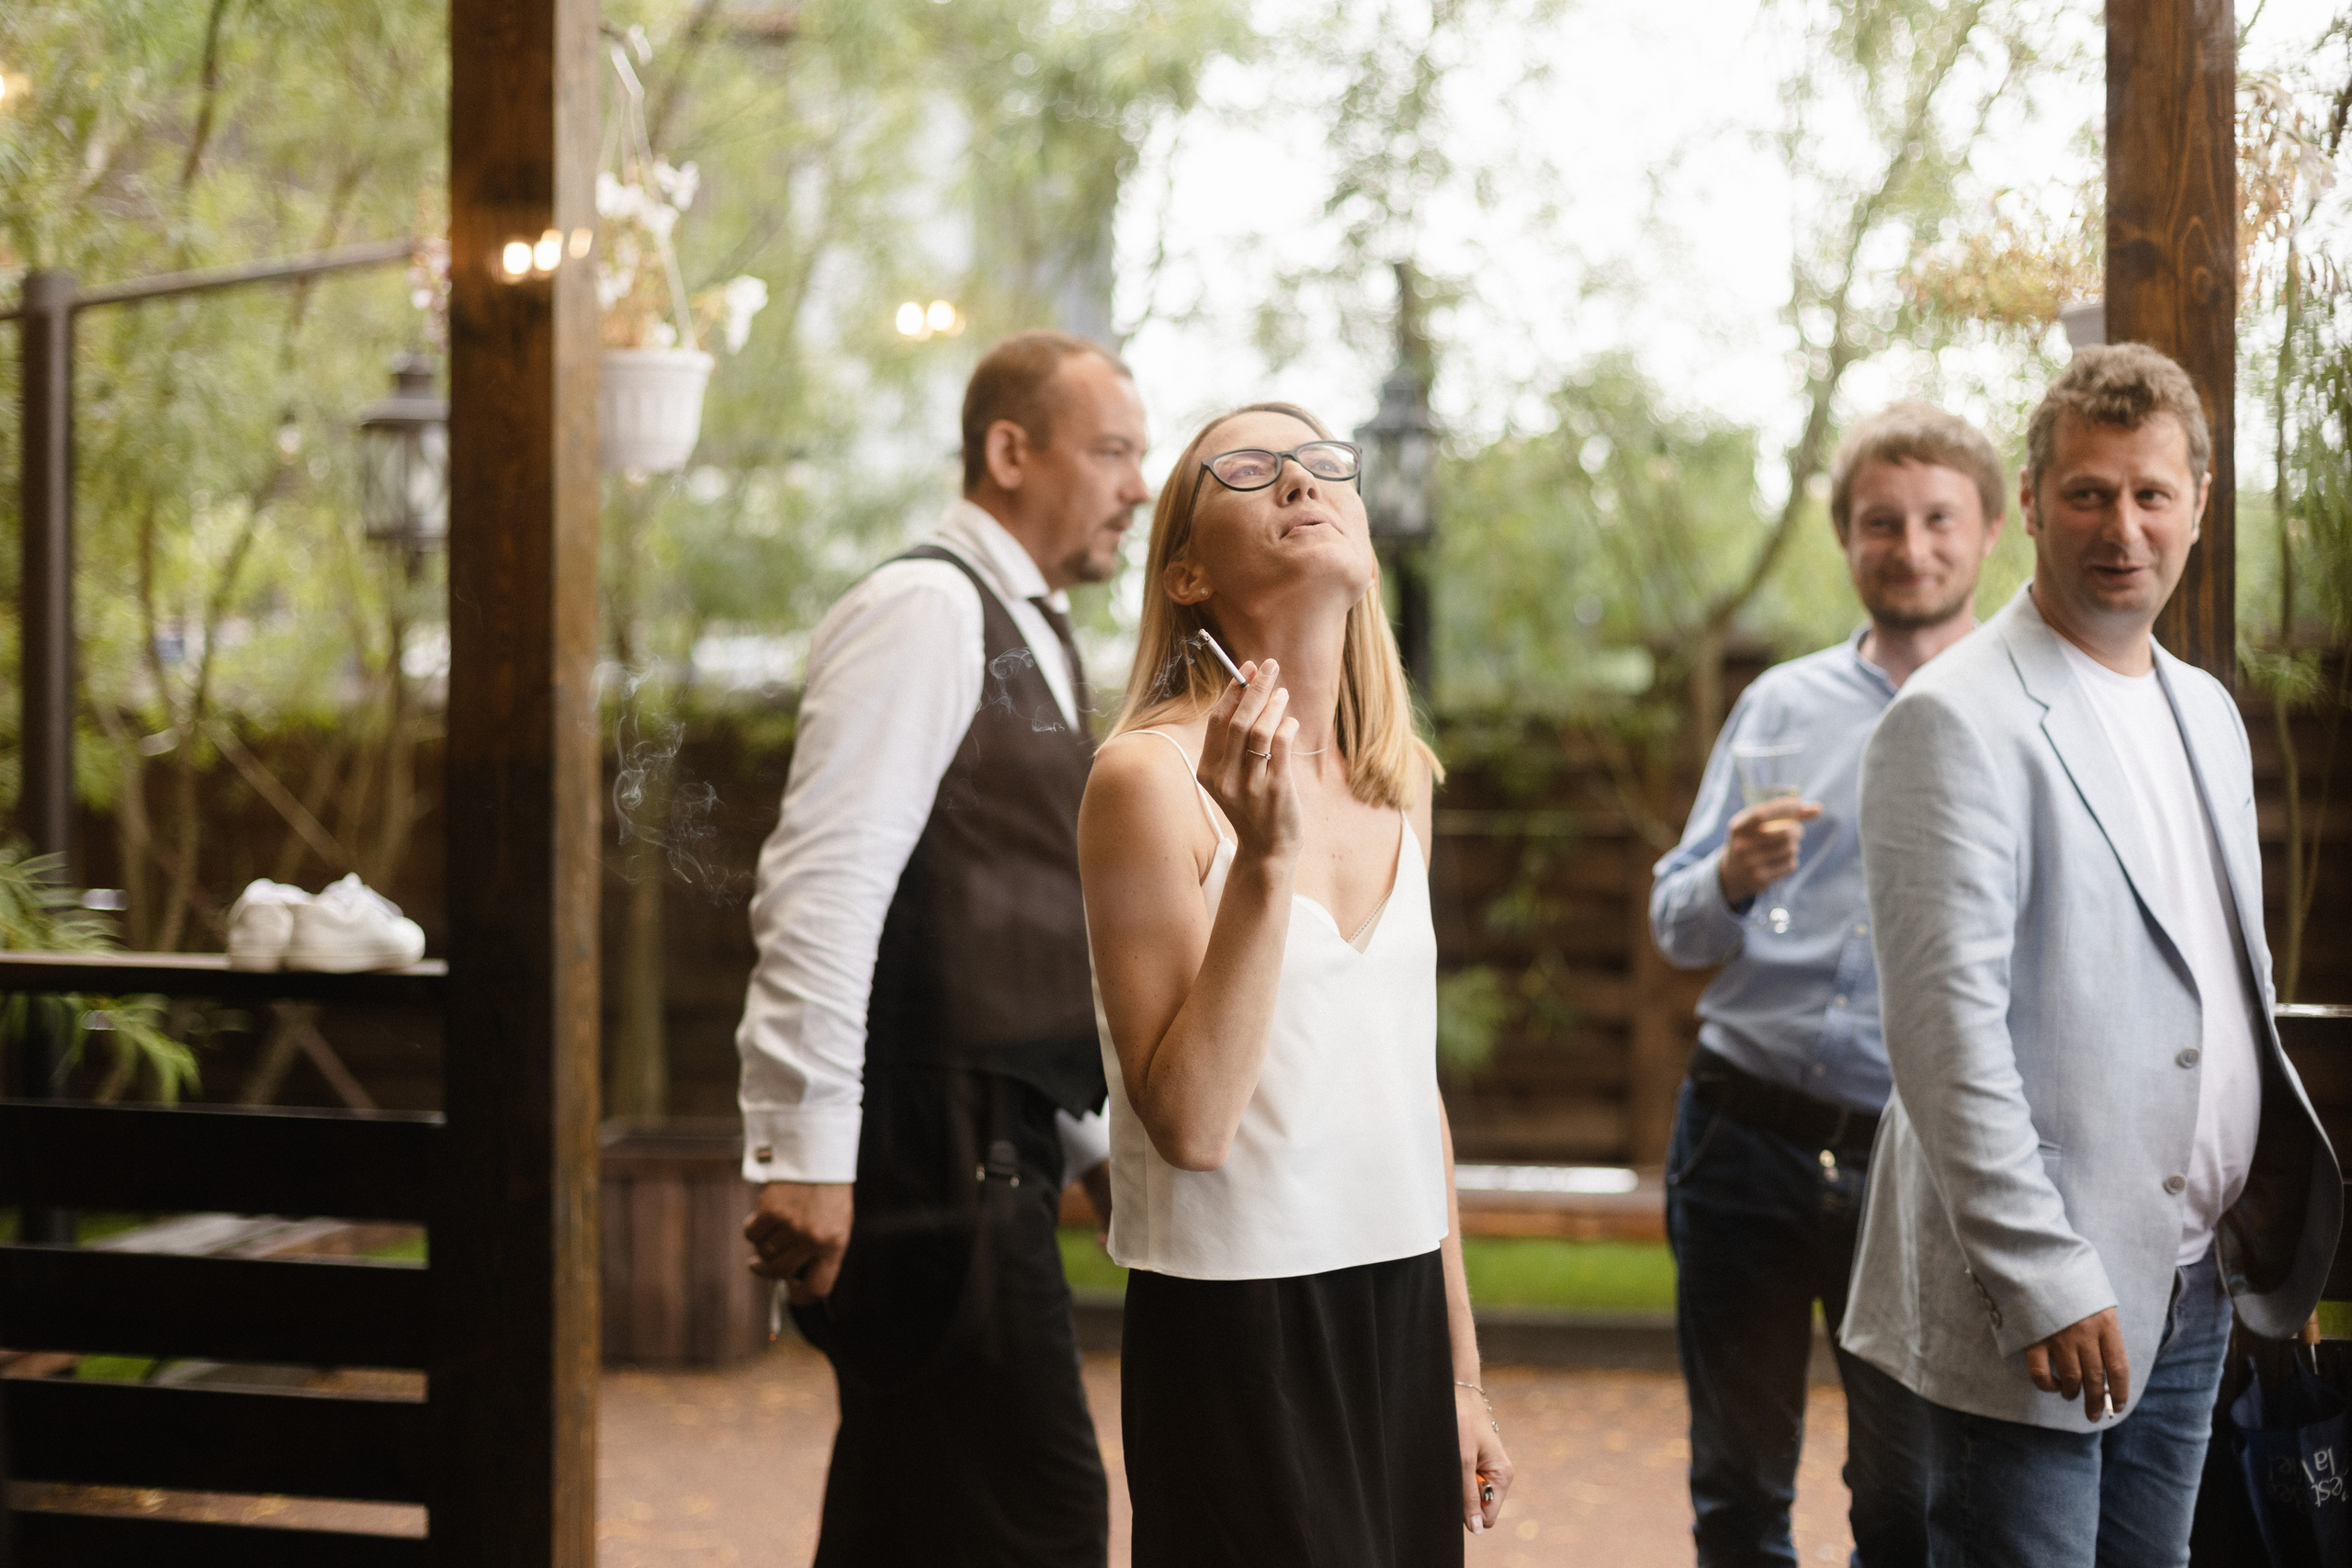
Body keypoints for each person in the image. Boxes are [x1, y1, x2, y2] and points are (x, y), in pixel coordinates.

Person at [1843, 343, 2341, 1567]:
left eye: (2152, 493)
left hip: (2189, 1282)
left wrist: (2257, 1210)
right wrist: (2044, 1275)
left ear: (2200, 507)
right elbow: (1942, 1042)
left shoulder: (2207, 710)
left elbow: (2223, 984)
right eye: (2088, 492)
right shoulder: (1953, 719)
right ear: (2030, 501)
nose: (2123, 524)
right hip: (2047, 1307)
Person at [733, 330, 1149, 1567]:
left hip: (985, 1139)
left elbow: (1000, 925)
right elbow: (827, 878)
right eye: (1114, 448)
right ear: (1008, 450)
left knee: (912, 1508)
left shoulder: (1035, 628)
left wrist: (1085, 1139)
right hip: (923, 1150)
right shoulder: (923, 607)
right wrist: (804, 1147)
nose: (1138, 482)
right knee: (1036, 1513)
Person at [1080, 401, 1511, 1568]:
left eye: (1325, 466)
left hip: (1401, 1311)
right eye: (1253, 469)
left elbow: (1409, 1097)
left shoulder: (1399, 779)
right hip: (1239, 1323)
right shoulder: (1145, 782)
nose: (1300, 483)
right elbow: (1191, 1124)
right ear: (1182, 572)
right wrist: (1263, 865)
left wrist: (1461, 1375)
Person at [1651, 400, 2004, 1567]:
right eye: (1878, 523)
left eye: (1936, 520)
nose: (1909, 547)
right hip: (1740, 1142)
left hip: (1916, 1170)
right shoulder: (1778, 706)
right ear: (1847, 540)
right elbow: (1674, 922)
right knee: (1737, 1495)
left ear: (1990, 530)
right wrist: (1732, 880)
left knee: (1904, 1506)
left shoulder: (2022, 721)